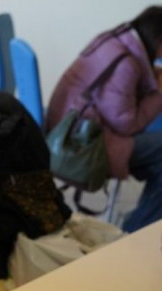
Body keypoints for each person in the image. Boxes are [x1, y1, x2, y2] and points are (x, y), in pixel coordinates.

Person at [46, 6, 162, 232]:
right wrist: (159, 93)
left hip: (69, 126)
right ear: (159, 40)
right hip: (82, 144)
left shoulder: (117, 39)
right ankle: (135, 231)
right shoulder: (126, 64)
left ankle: (144, 218)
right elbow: (126, 124)